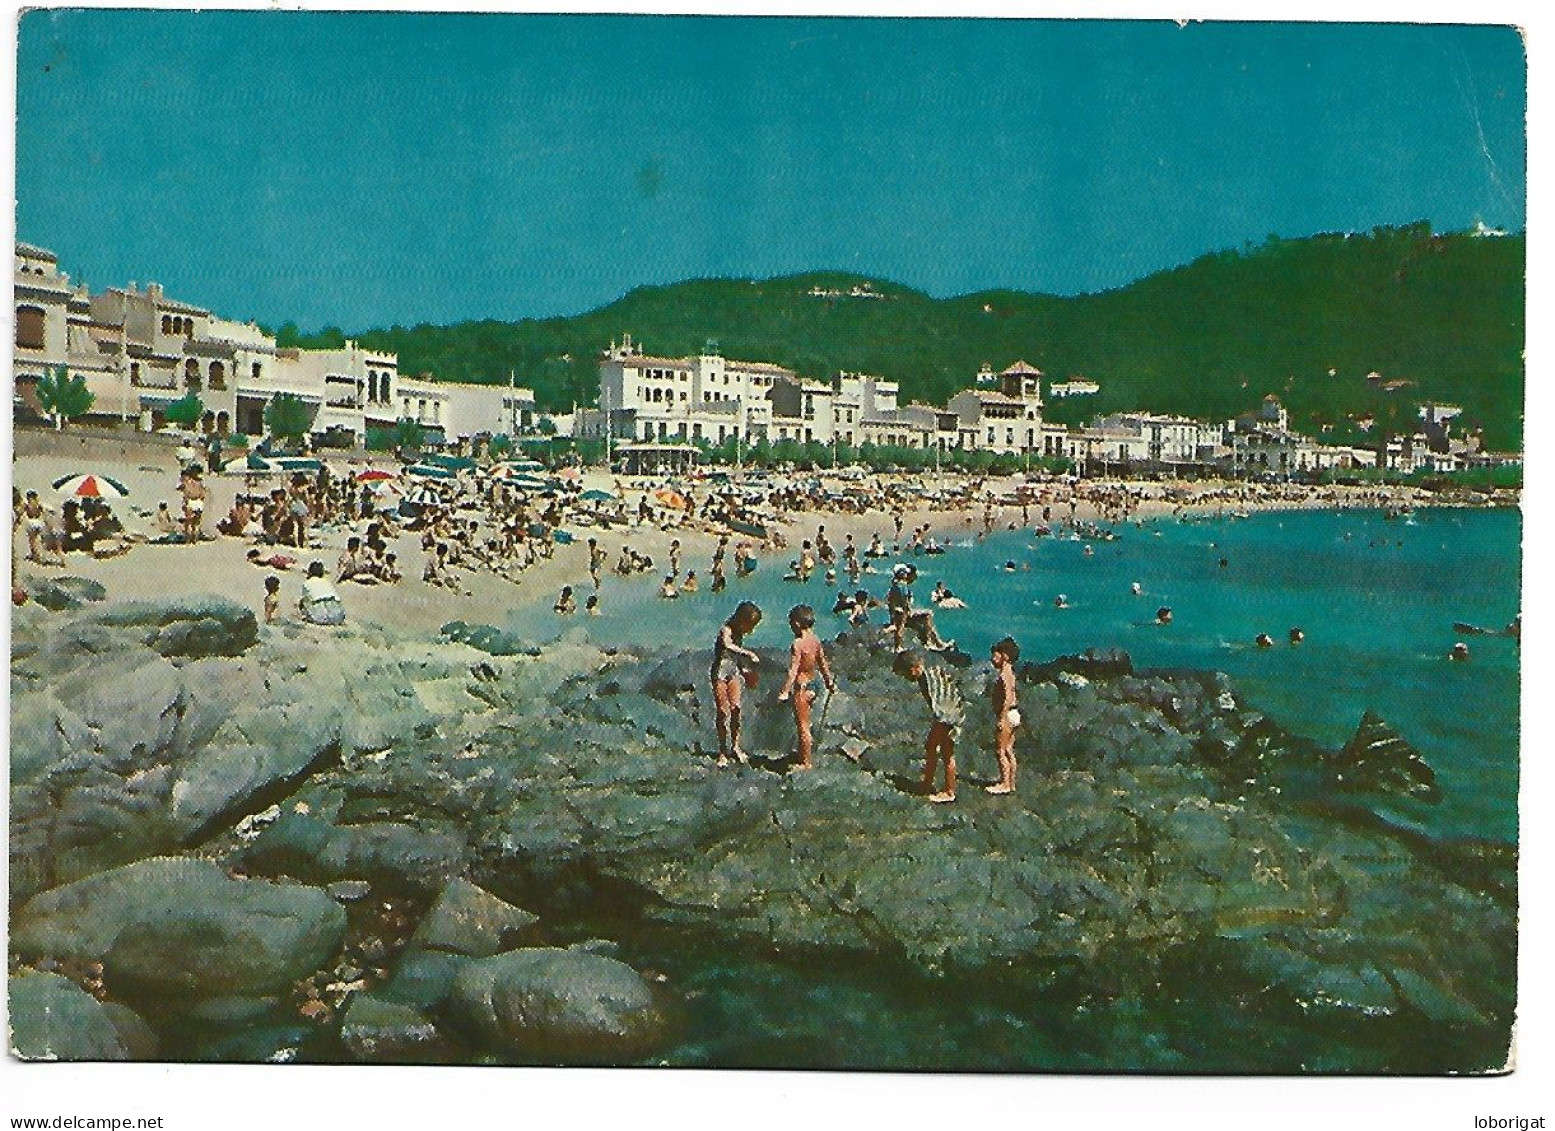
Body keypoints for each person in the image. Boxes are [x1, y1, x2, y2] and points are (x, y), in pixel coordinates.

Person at [893, 650, 962, 803]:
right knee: (942, 751)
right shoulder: (928, 673)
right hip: (951, 714)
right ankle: (931, 784)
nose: (907, 678)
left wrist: (941, 720)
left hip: (947, 716)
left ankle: (946, 790)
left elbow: (940, 699)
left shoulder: (929, 677)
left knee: (936, 748)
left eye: (906, 674)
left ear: (914, 668)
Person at [778, 604, 837, 772]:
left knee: (802, 726)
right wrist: (829, 683)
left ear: (796, 624)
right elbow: (823, 663)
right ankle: (804, 754)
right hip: (813, 684)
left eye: (791, 623)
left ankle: (806, 762)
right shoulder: (815, 640)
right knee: (807, 723)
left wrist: (785, 691)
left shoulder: (798, 644)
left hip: (801, 687)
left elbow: (793, 670)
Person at [711, 601, 762, 768]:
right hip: (719, 673)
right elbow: (727, 646)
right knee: (722, 711)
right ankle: (722, 751)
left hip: (732, 672)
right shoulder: (726, 630)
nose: (751, 630)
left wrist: (745, 670)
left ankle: (735, 746)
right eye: (750, 625)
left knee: (736, 708)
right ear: (741, 620)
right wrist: (748, 653)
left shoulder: (739, 634)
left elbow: (735, 657)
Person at [987, 637, 1020, 795]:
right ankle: (1011, 782)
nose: (993, 659)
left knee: (1000, 750)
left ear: (1004, 656)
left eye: (995, 656)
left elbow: (1007, 696)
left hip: (1007, 713)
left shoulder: (1004, 674)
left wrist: (1001, 717)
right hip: (1014, 712)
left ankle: (1005, 783)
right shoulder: (1010, 672)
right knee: (1008, 749)